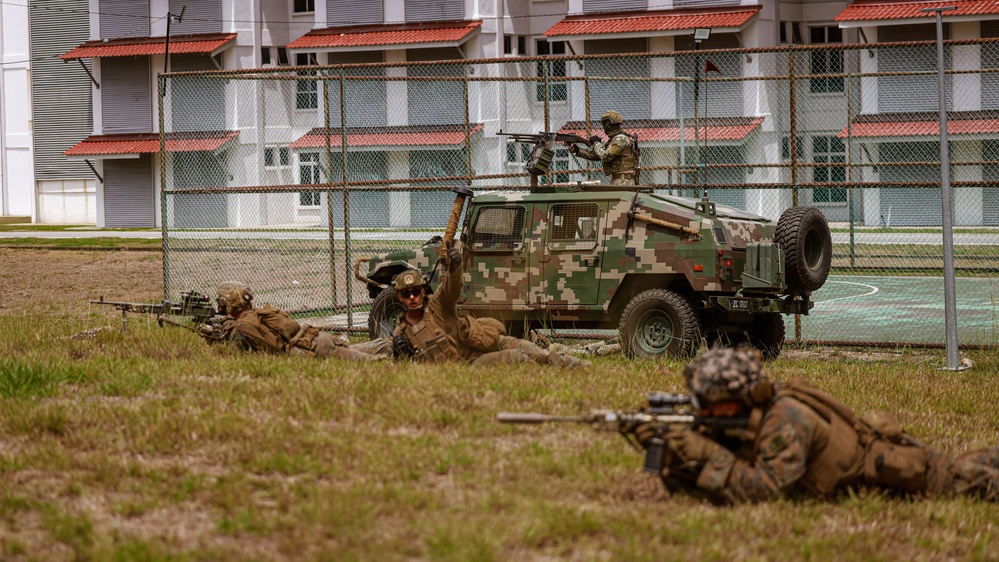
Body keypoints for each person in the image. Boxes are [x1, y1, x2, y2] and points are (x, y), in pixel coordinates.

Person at [633, 347, 999, 503]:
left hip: (888, 474)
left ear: (736, 401)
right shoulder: (761, 411)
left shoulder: (785, 419)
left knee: (970, 478)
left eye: (712, 404)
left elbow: (767, 491)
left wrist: (707, 452)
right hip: (867, 464)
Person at [392, 247, 590, 368]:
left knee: (533, 349)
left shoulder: (437, 304)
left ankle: (582, 367)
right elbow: (417, 365)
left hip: (482, 340)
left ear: (423, 289)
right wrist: (402, 355)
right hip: (471, 362)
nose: (412, 297)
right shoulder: (403, 333)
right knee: (519, 358)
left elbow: (451, 288)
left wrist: (455, 267)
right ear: (399, 297)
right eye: (406, 294)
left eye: (416, 291)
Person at [210, 281, 390, 361]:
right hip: (319, 339)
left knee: (373, 363)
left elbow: (271, 352)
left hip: (312, 350)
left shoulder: (244, 326)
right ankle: (400, 345)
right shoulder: (259, 314)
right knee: (379, 345)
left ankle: (414, 357)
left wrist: (225, 330)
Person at [567, 110, 638, 186]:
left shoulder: (620, 139)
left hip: (623, 182)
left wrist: (596, 143)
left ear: (609, 124)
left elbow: (605, 156)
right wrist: (578, 150)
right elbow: (598, 155)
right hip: (620, 181)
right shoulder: (616, 139)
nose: (604, 126)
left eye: (605, 123)